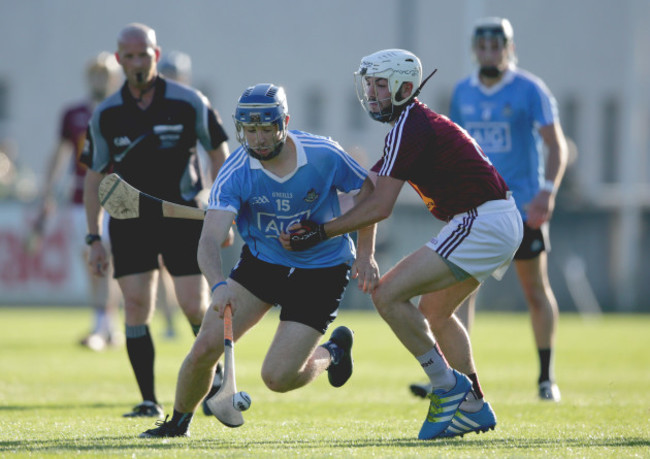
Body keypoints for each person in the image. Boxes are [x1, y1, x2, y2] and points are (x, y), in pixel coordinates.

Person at [281, 49, 524, 440]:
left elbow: (378, 204)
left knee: (388, 294)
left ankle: (447, 387)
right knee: (435, 312)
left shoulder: (411, 127)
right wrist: (306, 217)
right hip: (492, 219)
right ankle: (474, 404)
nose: (373, 93)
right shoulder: (409, 126)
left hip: (482, 220)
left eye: (381, 85)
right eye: (370, 85)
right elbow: (367, 194)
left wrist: (323, 232)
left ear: (404, 88)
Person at [138, 83, 379, 438]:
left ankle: (333, 353)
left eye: (267, 128)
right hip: (263, 263)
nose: (259, 138)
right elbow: (208, 239)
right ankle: (177, 423)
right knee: (205, 345)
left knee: (277, 378)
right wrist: (217, 287)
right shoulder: (236, 170)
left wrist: (366, 251)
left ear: (285, 122)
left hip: (323, 269)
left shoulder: (323, 154)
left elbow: (368, 194)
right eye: (251, 130)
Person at [409, 17, 568, 403]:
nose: (489, 52)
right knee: (455, 295)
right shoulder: (463, 91)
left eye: (497, 46)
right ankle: (453, 381)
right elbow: (452, 147)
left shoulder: (530, 89)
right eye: (482, 46)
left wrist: (546, 193)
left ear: (509, 49)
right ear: (474, 50)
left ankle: (546, 377)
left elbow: (555, 145)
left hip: (522, 204)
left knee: (534, 289)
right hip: (476, 207)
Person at [81, 23, 231, 418]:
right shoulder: (107, 114)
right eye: (128, 56)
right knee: (134, 305)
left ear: (156, 55)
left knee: (193, 306)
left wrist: (222, 208)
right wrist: (93, 236)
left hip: (182, 215)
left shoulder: (188, 101)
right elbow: (94, 176)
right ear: (118, 60)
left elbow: (219, 153)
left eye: (143, 55)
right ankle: (149, 399)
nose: (136, 63)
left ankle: (215, 379)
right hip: (129, 220)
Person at [32, 52, 123, 351]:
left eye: (105, 74)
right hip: (80, 198)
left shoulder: (124, 110)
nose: (100, 79)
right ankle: (104, 324)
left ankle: (104, 326)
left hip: (116, 196)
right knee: (91, 261)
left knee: (107, 259)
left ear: (114, 77)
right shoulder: (73, 114)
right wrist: (47, 193)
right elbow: (59, 155)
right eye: (95, 74)